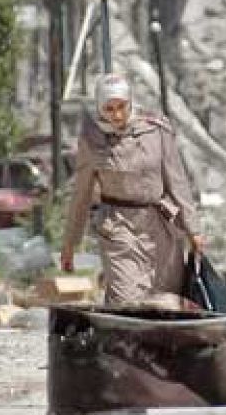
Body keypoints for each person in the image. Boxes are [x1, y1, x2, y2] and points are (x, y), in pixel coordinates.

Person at [61, 75, 203, 307]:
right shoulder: (92, 139)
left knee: (166, 302)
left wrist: (193, 229)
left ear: (130, 103)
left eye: (121, 107)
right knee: (125, 299)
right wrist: (70, 243)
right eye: (109, 108)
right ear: (99, 108)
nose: (116, 115)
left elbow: (177, 182)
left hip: (160, 227)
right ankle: (119, 339)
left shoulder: (155, 130)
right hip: (119, 227)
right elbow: (81, 194)